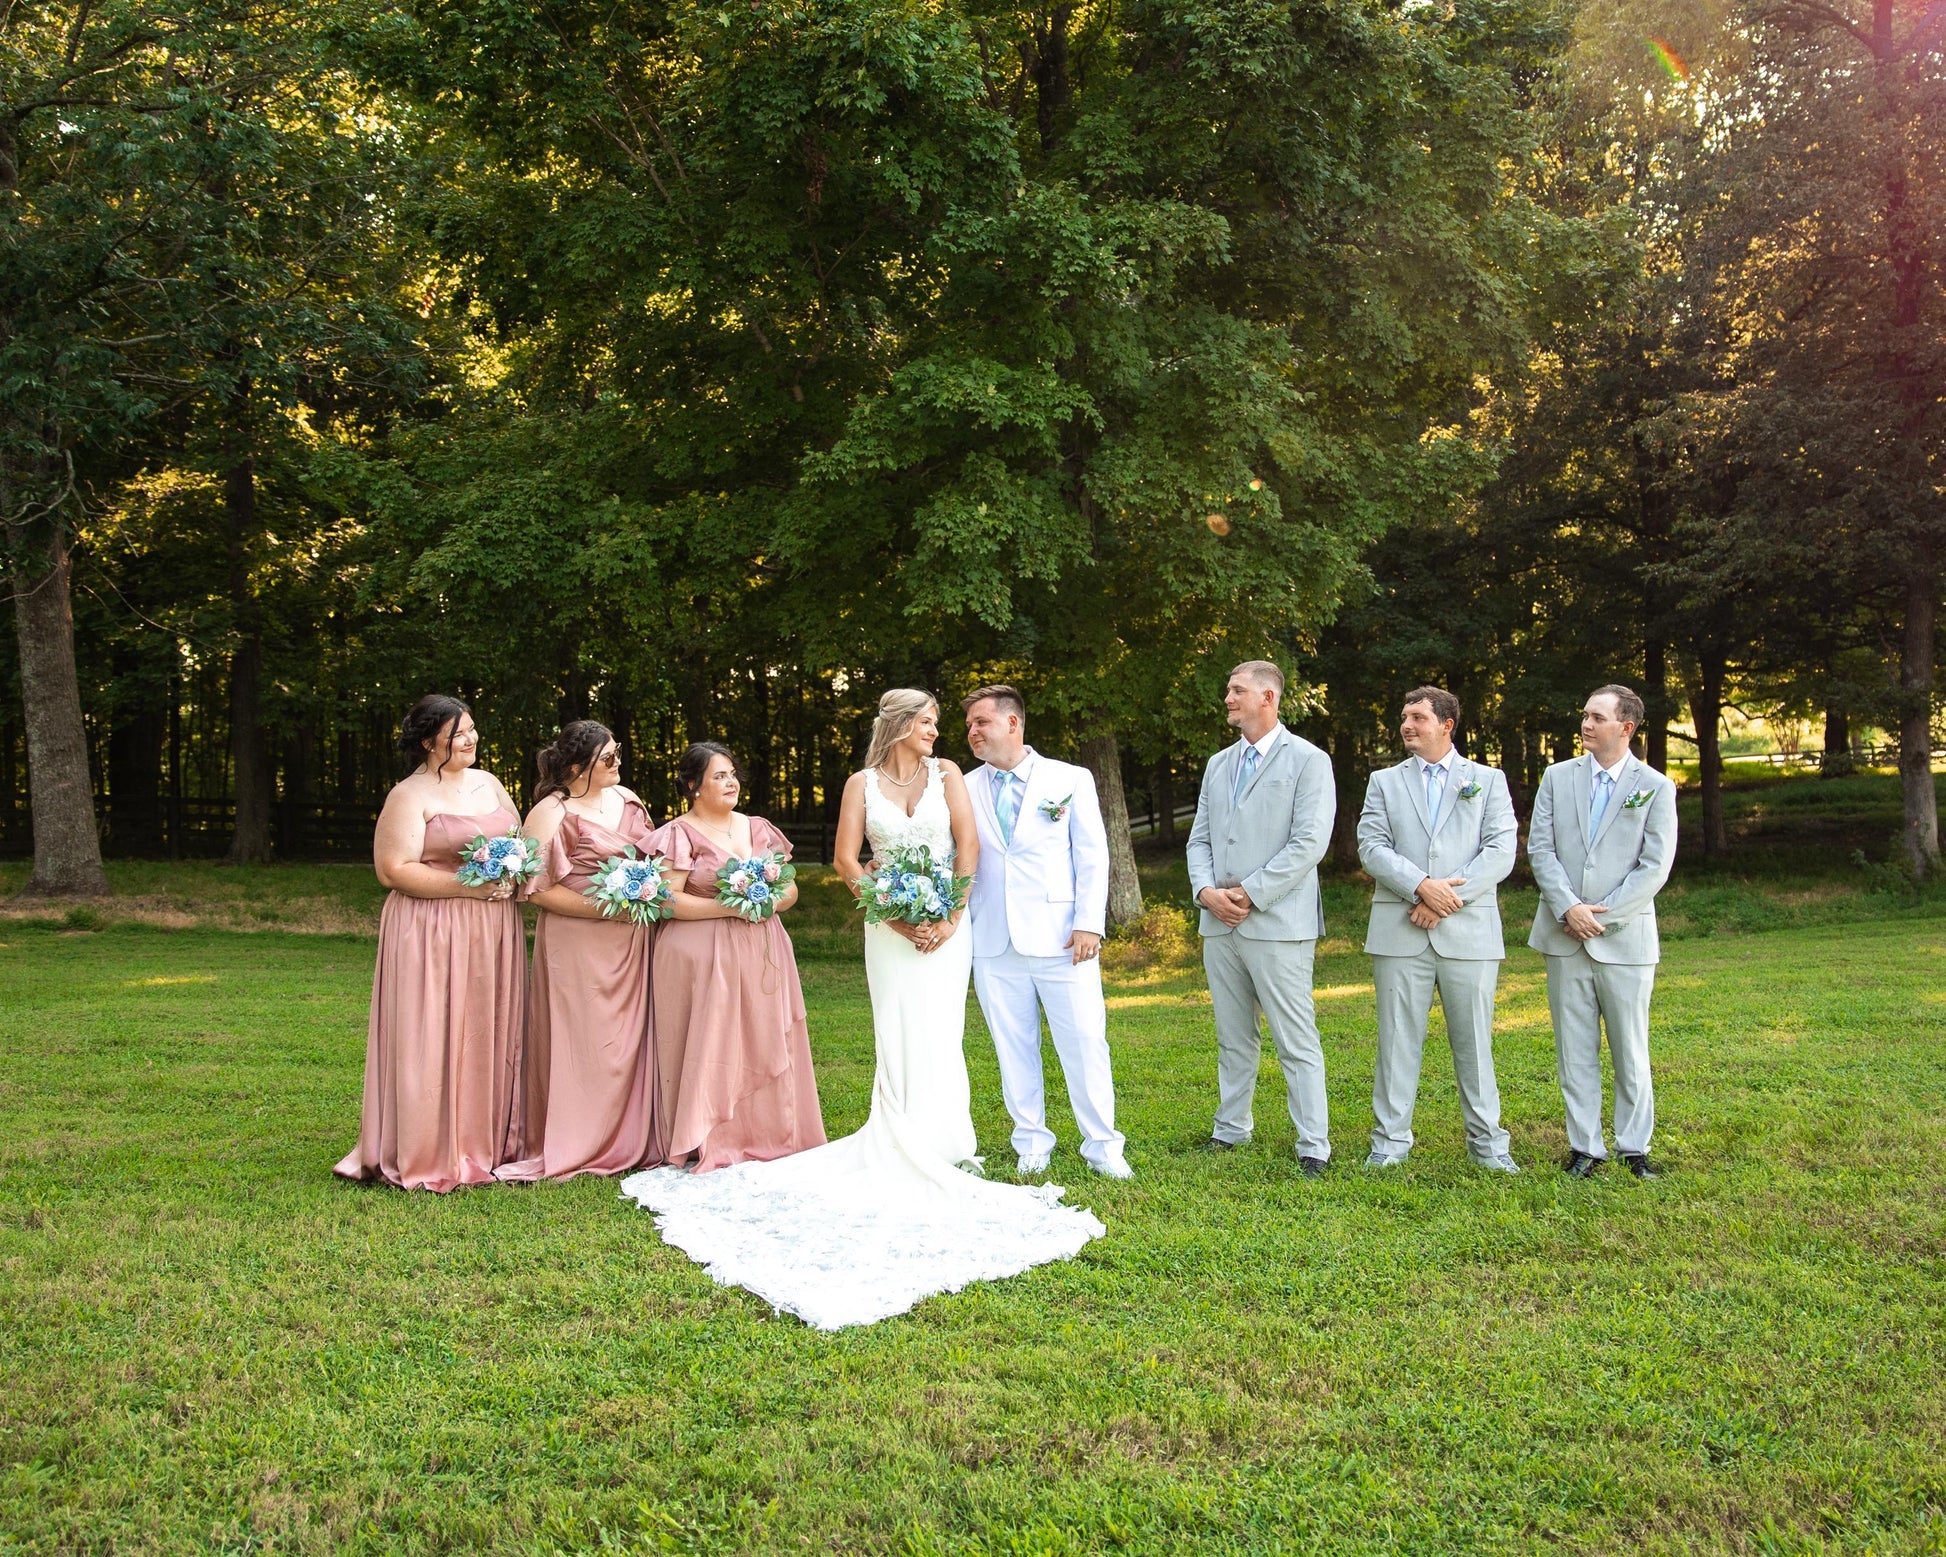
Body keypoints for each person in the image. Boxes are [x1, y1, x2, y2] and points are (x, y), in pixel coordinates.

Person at [620, 690, 1105, 1331]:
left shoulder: (949, 776)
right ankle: (898, 1133)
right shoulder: (860, 784)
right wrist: (895, 916)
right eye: (930, 723)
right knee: (897, 1029)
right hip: (887, 928)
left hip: (949, 925)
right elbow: (847, 860)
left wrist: (951, 913)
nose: (939, 733)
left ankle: (945, 1141)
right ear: (902, 725)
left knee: (941, 1033)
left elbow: (968, 849)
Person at [335, 695, 527, 1192]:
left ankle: (484, 1142)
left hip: (492, 929)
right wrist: (472, 886)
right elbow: (392, 870)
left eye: (472, 729)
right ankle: (426, 1147)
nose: (471, 739)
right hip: (430, 928)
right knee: (432, 1029)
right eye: (457, 733)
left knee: (486, 1028)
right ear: (428, 742)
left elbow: (520, 843)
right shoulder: (409, 794)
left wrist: (513, 876)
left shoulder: (490, 784)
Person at [962, 684, 1131, 1179]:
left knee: (1084, 1041)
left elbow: (1092, 856)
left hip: (1064, 938)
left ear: (1012, 723)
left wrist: (1088, 924)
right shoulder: (964, 786)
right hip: (992, 938)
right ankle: (1031, 1140)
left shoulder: (1070, 778)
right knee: (1012, 1045)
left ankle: (1103, 1146)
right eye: (969, 725)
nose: (972, 732)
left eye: (981, 722)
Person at [1356, 686, 1520, 1172]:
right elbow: (1371, 846)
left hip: (1468, 931)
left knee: (1475, 1043)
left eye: (1417, 717)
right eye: (1404, 717)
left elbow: (1500, 851)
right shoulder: (1383, 782)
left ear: (1447, 724)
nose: (1406, 725)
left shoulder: (1487, 780)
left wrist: (1447, 899)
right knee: (1395, 1042)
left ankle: (1489, 1146)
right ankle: (1388, 1145)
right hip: (1399, 929)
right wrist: (1421, 886)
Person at [1186, 660, 1337, 1174]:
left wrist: (1249, 893)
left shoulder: (1310, 760)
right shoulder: (1217, 764)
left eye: (1237, 690)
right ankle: (1231, 1129)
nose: (1227, 698)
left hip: (1277, 921)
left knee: (1295, 1038)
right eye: (1228, 689)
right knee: (1233, 1034)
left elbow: (1310, 842)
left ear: (1268, 697)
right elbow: (1200, 837)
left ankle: (1313, 1143)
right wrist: (1206, 891)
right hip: (1218, 922)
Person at [648, 742, 826, 1173]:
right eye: (718, 776)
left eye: (732, 774)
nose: (730, 783)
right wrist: (734, 906)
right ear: (693, 786)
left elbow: (790, 888)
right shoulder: (679, 833)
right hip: (701, 954)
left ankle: (772, 1132)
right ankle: (713, 1136)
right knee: (714, 1042)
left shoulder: (758, 828)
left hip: (763, 948)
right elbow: (668, 901)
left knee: (766, 1034)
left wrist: (771, 901)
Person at [496, 720, 661, 1182]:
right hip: (575, 940)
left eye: (618, 752)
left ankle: (628, 1135)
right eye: (607, 757)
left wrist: (647, 892)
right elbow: (532, 890)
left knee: (627, 1038)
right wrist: (605, 910)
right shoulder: (551, 812)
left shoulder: (629, 801)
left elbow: (652, 862)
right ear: (576, 766)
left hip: (631, 941)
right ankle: (575, 1137)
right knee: (579, 1040)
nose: (618, 762)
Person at [1527, 684, 1678, 1179]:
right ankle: (1584, 1148)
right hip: (1563, 934)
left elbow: (1654, 867)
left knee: (1630, 1048)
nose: (1585, 724)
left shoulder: (1655, 786)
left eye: (1596, 717)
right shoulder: (1557, 777)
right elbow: (1541, 850)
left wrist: (1601, 917)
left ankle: (1635, 1148)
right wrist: (1569, 908)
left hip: (1625, 939)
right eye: (1585, 715)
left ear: (1626, 728)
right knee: (1574, 1049)